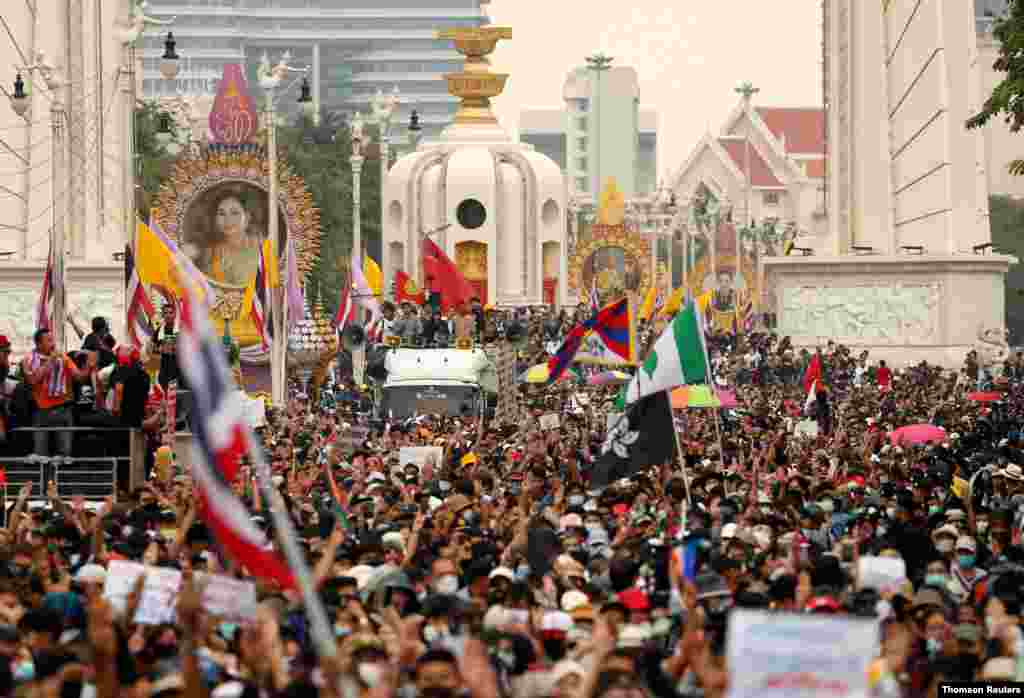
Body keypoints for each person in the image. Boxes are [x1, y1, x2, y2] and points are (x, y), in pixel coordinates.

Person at [21, 328, 94, 457]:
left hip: (63, 411)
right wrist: (51, 360)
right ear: (38, 344)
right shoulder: (28, 360)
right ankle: (44, 477)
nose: (53, 343)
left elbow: (79, 377)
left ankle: (61, 475)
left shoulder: (63, 358)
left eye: (52, 339)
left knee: (65, 453)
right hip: (41, 412)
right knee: (40, 454)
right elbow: (33, 380)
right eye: (48, 340)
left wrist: (89, 365)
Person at [198, 192, 263, 286]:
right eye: (221, 213)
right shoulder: (210, 253)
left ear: (247, 217)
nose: (227, 220)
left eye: (234, 213)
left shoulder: (263, 250)